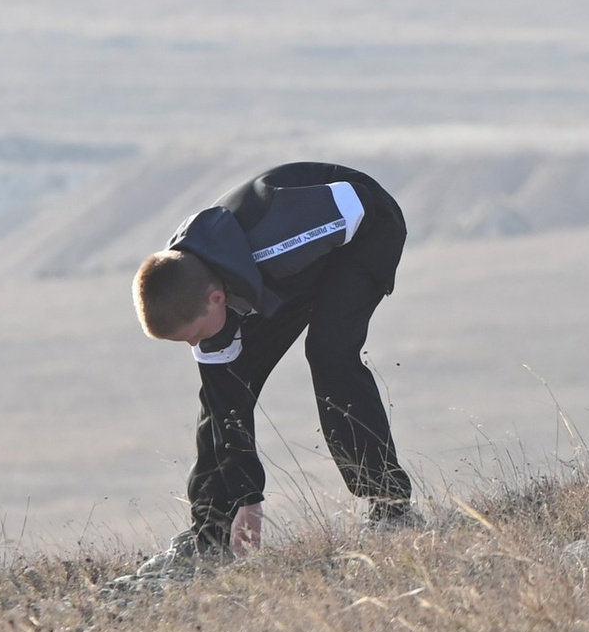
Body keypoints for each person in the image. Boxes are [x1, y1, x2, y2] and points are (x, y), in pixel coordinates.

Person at [127, 161, 415, 570]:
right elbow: (227, 407)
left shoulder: (276, 239)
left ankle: (391, 508)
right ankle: (209, 536)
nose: (194, 345)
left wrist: (325, 292)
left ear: (216, 299)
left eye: (193, 335)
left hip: (364, 229)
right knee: (221, 393)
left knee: (330, 354)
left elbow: (359, 204)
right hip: (275, 275)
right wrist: (249, 497)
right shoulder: (191, 284)